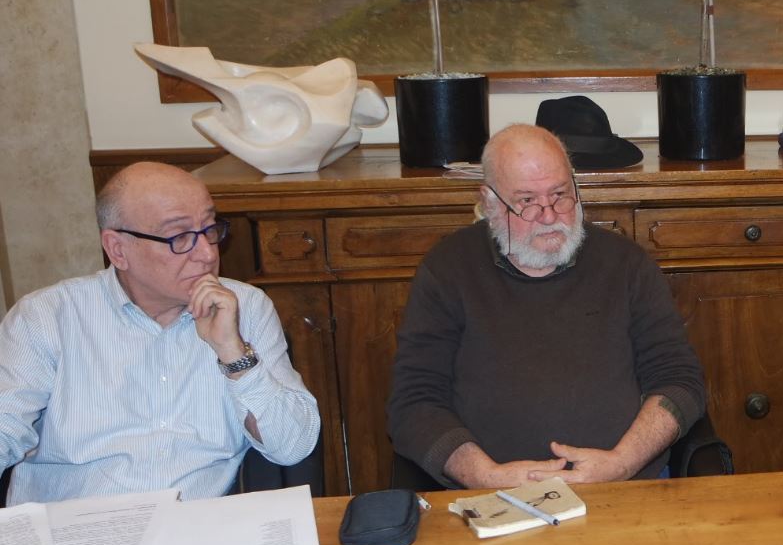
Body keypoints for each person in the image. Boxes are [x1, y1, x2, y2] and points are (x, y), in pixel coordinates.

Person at [387, 123, 706, 488]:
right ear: (489, 201)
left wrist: (622, 462)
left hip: (622, 486)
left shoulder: (625, 265)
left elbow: (679, 381)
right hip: (493, 497)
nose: (550, 216)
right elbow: (414, 403)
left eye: (560, 194)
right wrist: (485, 476)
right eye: (526, 201)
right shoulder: (449, 270)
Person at [0, 162, 319, 504]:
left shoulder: (245, 307)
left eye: (210, 229)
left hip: (197, 526)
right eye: (179, 237)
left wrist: (233, 351)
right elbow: (6, 428)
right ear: (117, 249)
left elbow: (292, 446)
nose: (207, 254)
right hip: (73, 526)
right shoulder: (46, 317)